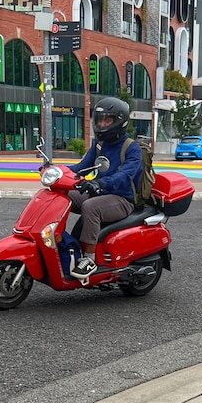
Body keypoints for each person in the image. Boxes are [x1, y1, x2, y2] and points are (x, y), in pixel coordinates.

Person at [67, 97, 142, 279]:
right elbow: (82, 167)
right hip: (101, 193)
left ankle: (89, 259)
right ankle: (61, 243)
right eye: (100, 119)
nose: (102, 124)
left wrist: (100, 183)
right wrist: (57, 171)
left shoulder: (132, 148)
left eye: (107, 120)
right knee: (65, 194)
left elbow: (125, 176)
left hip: (122, 200)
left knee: (90, 207)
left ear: (119, 121)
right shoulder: (100, 144)